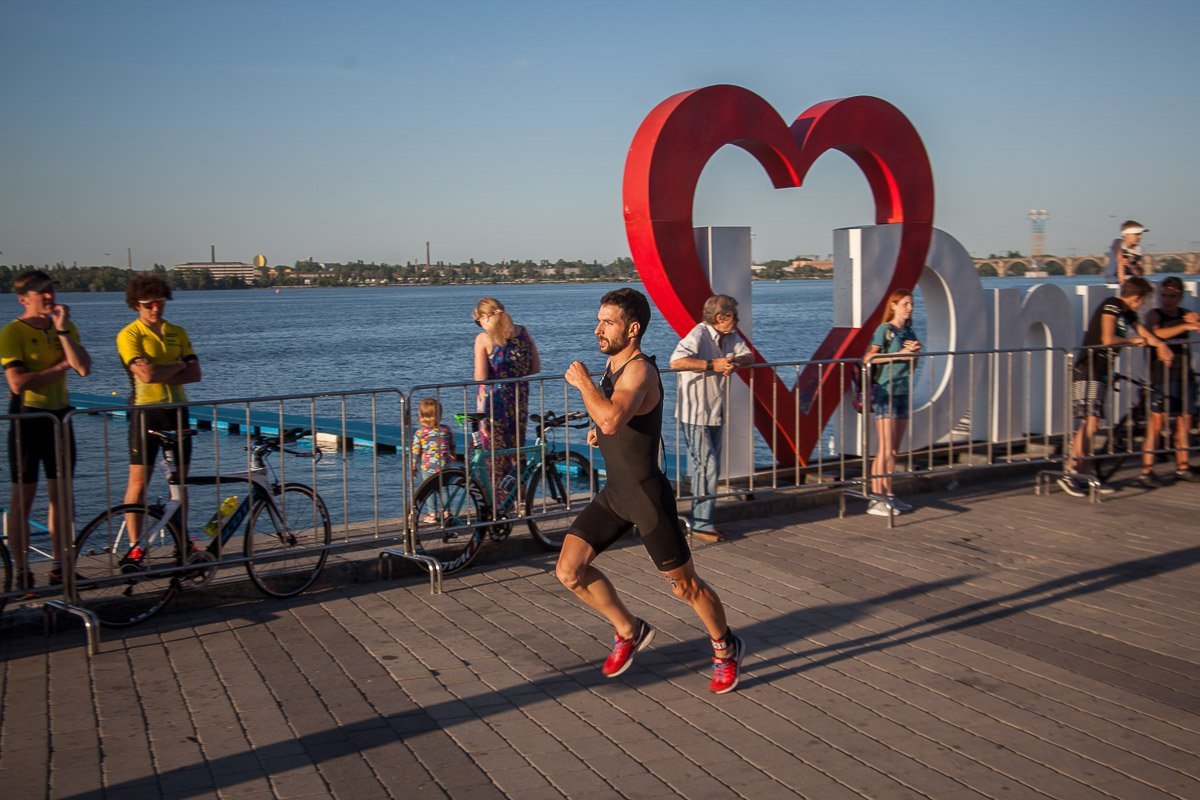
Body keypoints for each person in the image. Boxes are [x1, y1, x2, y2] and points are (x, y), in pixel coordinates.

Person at [559, 288, 745, 694]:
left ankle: (725, 647)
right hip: (616, 495)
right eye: (599, 321)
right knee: (569, 571)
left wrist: (585, 385)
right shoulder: (613, 365)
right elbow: (614, 422)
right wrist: (600, 432)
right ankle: (629, 630)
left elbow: (612, 418)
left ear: (633, 328)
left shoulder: (639, 371)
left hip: (646, 498)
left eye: (607, 322)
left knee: (685, 587)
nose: (598, 329)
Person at [0, 270, 92, 594]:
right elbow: (18, 383)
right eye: (42, 292)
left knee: (61, 496)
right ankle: (22, 569)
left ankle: (60, 567)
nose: (50, 296)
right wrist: (61, 366)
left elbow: (83, 368)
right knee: (23, 496)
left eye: (52, 290)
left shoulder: (63, 326)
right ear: (24, 299)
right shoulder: (12, 332)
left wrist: (63, 330)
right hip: (28, 416)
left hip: (61, 415)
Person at [117, 274, 202, 566]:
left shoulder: (177, 332)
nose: (155, 308)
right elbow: (146, 375)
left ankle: (182, 544)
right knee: (138, 482)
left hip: (177, 411)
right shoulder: (129, 334)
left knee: (179, 484)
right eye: (148, 304)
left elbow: (195, 374)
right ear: (136, 305)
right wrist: (177, 365)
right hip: (146, 412)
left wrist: (164, 369)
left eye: (160, 302)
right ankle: (135, 548)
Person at [1060, 277, 1172, 497]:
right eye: (1143, 300)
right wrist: (1132, 341)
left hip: (1102, 370)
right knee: (1090, 421)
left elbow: (1144, 333)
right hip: (1089, 366)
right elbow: (1107, 338)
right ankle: (1071, 470)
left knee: (1092, 422)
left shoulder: (1127, 313)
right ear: (1137, 297)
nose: (1143, 305)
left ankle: (1084, 472)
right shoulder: (1112, 304)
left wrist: (1160, 345)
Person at [668, 294, 753, 542]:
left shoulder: (731, 337)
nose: (738, 320)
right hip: (694, 413)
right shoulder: (699, 334)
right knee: (708, 465)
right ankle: (701, 524)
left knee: (707, 467)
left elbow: (750, 356)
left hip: (716, 410)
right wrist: (710, 365)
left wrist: (734, 361)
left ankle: (703, 521)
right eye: (735, 315)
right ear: (721, 317)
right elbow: (676, 361)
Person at [472, 297, 540, 495]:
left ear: (485, 316)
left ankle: (496, 500)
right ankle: (519, 498)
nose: (479, 324)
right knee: (516, 449)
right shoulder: (523, 332)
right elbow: (535, 367)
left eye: (478, 320)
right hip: (519, 398)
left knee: (493, 452)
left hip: (494, 401)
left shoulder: (484, 338)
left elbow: (480, 377)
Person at [863, 289, 922, 516]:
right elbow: (869, 358)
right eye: (906, 304)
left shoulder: (909, 332)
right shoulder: (884, 330)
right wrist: (899, 354)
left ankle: (889, 494)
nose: (910, 308)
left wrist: (914, 355)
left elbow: (911, 366)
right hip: (885, 391)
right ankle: (877, 497)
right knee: (885, 449)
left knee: (895, 450)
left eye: (911, 304)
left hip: (902, 391)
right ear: (894, 306)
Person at [1139, 276, 1200, 487]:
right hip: (1162, 375)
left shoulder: (1185, 314)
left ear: (1180, 297)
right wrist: (1185, 326)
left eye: (1172, 296)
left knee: (1186, 420)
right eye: (1163, 295)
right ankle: (1147, 470)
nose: (1167, 300)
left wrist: (1196, 321)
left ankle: (1182, 466)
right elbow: (1157, 333)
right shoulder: (1154, 315)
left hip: (1184, 373)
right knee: (1157, 421)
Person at [411, 397, 458, 484]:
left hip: (428, 467)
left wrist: (413, 465)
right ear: (439, 415)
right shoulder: (446, 429)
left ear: (420, 415)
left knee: (429, 488)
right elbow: (452, 444)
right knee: (444, 488)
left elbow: (415, 451)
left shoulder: (420, 433)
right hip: (445, 466)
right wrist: (453, 453)